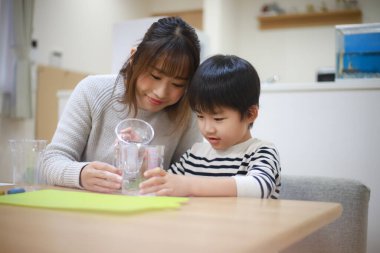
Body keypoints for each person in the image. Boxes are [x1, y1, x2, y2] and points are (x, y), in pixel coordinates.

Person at [40, 17, 203, 193]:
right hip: (89, 210)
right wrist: (80, 174)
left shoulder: (187, 111)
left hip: (152, 213)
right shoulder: (93, 91)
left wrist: (153, 170)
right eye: (155, 76)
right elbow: (50, 161)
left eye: (178, 84)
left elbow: (191, 174)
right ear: (134, 58)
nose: (161, 92)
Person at [139, 54, 281, 198]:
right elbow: (164, 185)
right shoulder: (194, 155)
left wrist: (189, 186)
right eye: (200, 116)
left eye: (218, 119)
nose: (207, 129)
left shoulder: (260, 152)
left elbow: (259, 187)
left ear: (250, 114)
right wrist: (141, 158)